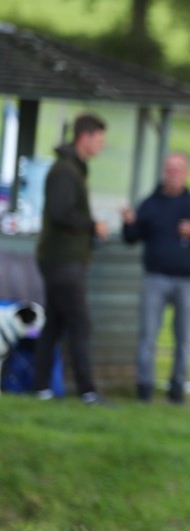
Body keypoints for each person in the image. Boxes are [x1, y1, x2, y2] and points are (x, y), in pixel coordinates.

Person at [121, 151, 190, 403]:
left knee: (184, 338)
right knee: (147, 335)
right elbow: (132, 237)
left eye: (179, 169)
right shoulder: (151, 203)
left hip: (186, 281)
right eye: (169, 169)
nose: (173, 174)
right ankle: (144, 387)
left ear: (187, 173)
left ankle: (177, 389)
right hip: (155, 278)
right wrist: (128, 222)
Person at [32, 112, 109, 404]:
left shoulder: (75, 168)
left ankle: (41, 389)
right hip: (62, 260)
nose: (101, 145)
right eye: (99, 139)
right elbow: (60, 213)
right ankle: (87, 392)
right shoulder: (65, 171)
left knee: (54, 323)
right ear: (84, 137)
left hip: (62, 259)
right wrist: (92, 224)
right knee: (80, 324)